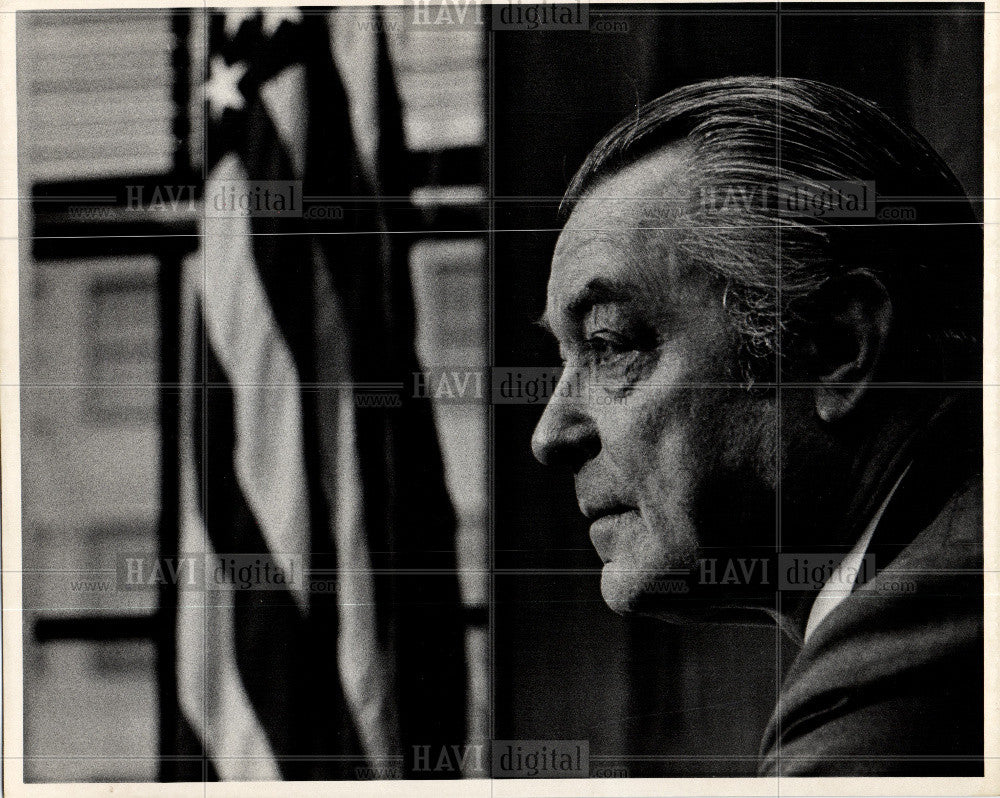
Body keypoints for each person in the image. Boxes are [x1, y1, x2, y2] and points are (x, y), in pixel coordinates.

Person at [530, 76, 983, 776]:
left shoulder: (906, 671)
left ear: (837, 348)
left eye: (611, 343)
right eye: (562, 356)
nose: (551, 434)